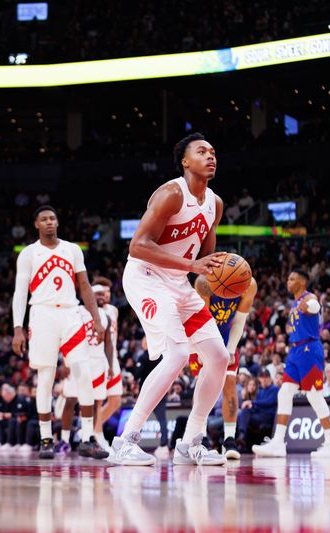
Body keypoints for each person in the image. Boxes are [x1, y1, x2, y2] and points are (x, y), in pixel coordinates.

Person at [107, 133, 228, 467]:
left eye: (213, 151)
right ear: (185, 162)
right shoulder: (170, 194)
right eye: (202, 151)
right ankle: (124, 440)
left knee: (219, 357)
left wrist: (221, 273)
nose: (210, 156)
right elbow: (137, 246)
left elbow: (206, 256)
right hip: (145, 277)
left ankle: (191, 442)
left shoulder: (214, 204)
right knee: (175, 355)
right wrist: (192, 266)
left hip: (178, 283)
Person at [12, 205, 105, 459]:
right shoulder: (29, 253)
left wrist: (96, 318)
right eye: (44, 219)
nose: (49, 222)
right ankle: (45, 439)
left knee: (83, 372)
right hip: (41, 314)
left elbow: (84, 286)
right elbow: (20, 293)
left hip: (70, 313)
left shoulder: (72, 249)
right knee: (46, 376)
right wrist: (17, 328)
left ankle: (87, 438)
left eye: (53, 218)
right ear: (36, 225)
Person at [253, 269, 330, 458]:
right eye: (288, 278)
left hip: (309, 350)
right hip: (295, 351)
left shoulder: (308, 298)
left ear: (302, 282)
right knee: (284, 392)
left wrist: (311, 306)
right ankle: (278, 442)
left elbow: (315, 306)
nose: (288, 281)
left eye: (292, 279)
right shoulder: (294, 303)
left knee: (314, 396)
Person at [189, 273, 257, 459]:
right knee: (203, 385)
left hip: (226, 337)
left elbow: (239, 320)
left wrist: (230, 349)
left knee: (229, 384)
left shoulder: (248, 285)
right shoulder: (204, 283)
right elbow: (202, 320)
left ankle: (229, 440)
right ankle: (200, 436)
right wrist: (204, 352)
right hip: (200, 334)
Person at [59, 301, 113, 459]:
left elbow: (108, 343)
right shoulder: (77, 311)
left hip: (97, 361)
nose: (101, 297)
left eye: (104, 294)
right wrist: (65, 361)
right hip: (78, 359)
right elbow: (65, 336)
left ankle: (88, 439)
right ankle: (64, 440)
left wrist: (109, 364)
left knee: (95, 402)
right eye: (97, 294)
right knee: (71, 400)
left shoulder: (105, 316)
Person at [91, 278, 123, 452]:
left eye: (108, 292)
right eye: (102, 292)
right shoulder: (89, 311)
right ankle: (97, 435)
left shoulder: (114, 311)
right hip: (96, 359)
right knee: (98, 399)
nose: (106, 295)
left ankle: (90, 430)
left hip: (113, 358)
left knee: (116, 400)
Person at [236, 369, 278, 445]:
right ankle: (241, 437)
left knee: (244, 415)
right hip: (259, 414)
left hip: (268, 416)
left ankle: (242, 436)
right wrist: (251, 406)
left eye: (266, 377)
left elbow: (269, 402)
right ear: (259, 379)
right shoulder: (260, 391)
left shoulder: (275, 389)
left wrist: (252, 402)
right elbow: (258, 406)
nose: (264, 379)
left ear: (270, 378)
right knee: (245, 411)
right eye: (262, 377)